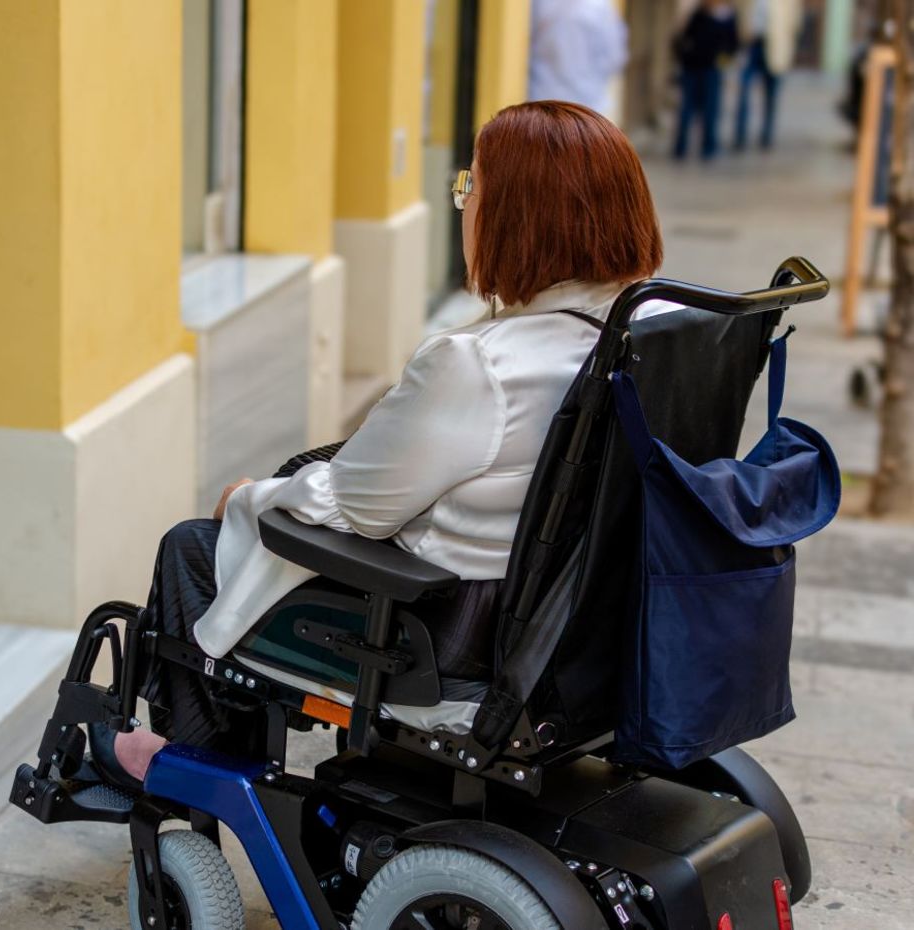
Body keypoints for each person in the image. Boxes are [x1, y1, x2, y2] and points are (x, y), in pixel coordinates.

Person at [92, 101, 668, 790]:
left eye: (472, 187)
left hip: (450, 639)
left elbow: (354, 507)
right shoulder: (657, 330)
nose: (464, 205)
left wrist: (247, 499)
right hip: (577, 619)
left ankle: (188, 775)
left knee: (194, 546)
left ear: (519, 215)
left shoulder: (479, 366)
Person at [528, 0, 629, 116]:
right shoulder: (598, 5)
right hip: (587, 103)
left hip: (542, 98)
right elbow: (614, 57)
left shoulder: (538, 3)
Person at [673, 0, 740, 160]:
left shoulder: (727, 16)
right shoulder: (698, 13)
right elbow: (684, 37)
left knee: (710, 109)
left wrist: (722, 60)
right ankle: (681, 146)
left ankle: (708, 146)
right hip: (693, 67)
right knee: (687, 108)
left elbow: (732, 44)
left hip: (711, 68)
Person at [734, 0, 803, 150]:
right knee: (744, 92)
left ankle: (767, 136)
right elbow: (739, 12)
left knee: (771, 96)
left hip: (774, 48)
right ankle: (740, 137)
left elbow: (795, 22)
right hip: (751, 45)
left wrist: (787, 47)